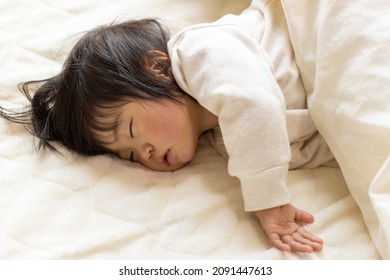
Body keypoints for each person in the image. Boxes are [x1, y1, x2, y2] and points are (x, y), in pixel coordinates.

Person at [0, 0, 334, 253]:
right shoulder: (227, 144)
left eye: (131, 130)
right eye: (129, 156)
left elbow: (253, 104)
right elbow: (318, 139)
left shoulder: (197, 51)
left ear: (158, 67)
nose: (143, 152)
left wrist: (267, 199)